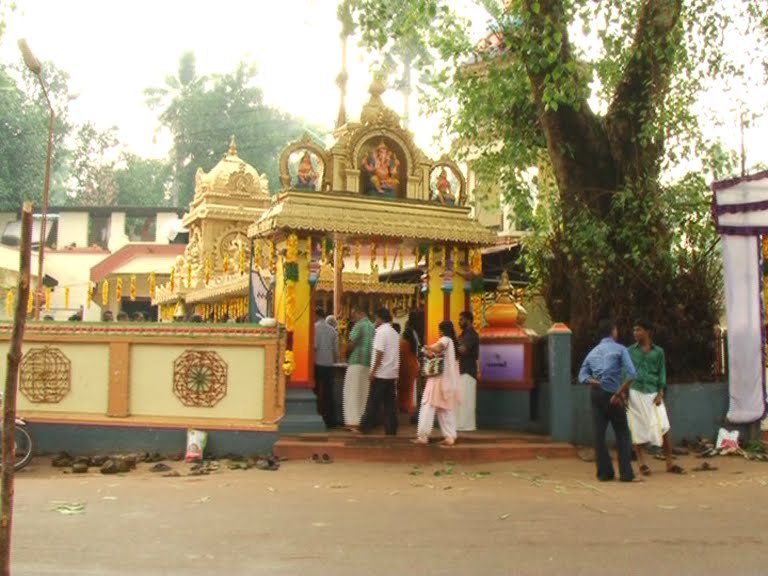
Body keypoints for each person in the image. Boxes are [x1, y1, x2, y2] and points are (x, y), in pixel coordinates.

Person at [578, 318, 637, 482]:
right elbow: (632, 374)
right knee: (623, 433)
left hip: (597, 395)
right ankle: (626, 473)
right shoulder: (620, 349)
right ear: (613, 331)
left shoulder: (593, 352)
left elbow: (582, 377)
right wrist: (619, 393)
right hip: (614, 395)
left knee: (599, 434)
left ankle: (604, 473)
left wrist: (597, 382)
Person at [627, 319, 684, 476]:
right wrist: (624, 394)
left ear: (647, 332)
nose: (635, 333)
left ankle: (669, 463)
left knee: (664, 426)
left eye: (638, 330)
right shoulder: (630, 351)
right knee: (637, 428)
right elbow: (625, 372)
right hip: (635, 391)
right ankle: (642, 463)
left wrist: (660, 392)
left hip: (653, 392)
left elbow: (662, 372)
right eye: (634, 330)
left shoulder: (658, 352)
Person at [413, 320, 461, 446]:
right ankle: (450, 437)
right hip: (447, 381)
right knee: (445, 409)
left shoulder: (445, 339)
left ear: (442, 330)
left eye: (439, 330)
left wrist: (427, 347)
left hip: (437, 380)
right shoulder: (452, 343)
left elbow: (438, 347)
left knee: (427, 405)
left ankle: (423, 436)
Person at [358, 308, 400, 435]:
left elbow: (379, 353)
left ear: (380, 318)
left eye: (376, 318)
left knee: (373, 402)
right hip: (391, 373)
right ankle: (391, 429)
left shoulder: (380, 333)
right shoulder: (394, 333)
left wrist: (373, 371)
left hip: (381, 373)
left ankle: (365, 427)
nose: (375, 321)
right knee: (390, 405)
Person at [343, 306, 375, 430]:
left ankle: (352, 422)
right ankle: (362, 421)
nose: (352, 319)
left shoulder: (359, 325)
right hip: (367, 363)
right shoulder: (372, 327)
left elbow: (351, 344)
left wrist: (346, 354)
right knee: (363, 392)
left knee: (351, 392)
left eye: (353, 315)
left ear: (359, 313)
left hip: (356, 362)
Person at [314, 307, 339, 428]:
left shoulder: (314, 328)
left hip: (318, 364)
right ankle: (330, 420)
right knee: (329, 393)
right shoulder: (333, 331)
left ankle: (315, 415)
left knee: (316, 392)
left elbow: (314, 347)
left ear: (316, 315)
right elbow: (335, 352)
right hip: (329, 365)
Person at [457, 310, 479, 431]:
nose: (459, 322)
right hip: (462, 370)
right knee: (462, 399)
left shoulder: (471, 335)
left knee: (467, 400)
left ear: (468, 320)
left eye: (461, 319)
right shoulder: (464, 334)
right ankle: (462, 424)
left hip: (468, 371)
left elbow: (462, 349)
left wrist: (452, 345)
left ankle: (467, 426)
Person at [398, 313, 420, 415]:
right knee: (409, 388)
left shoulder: (403, 343)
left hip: (405, 366)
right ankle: (407, 406)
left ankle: (404, 406)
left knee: (403, 388)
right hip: (412, 365)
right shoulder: (413, 342)